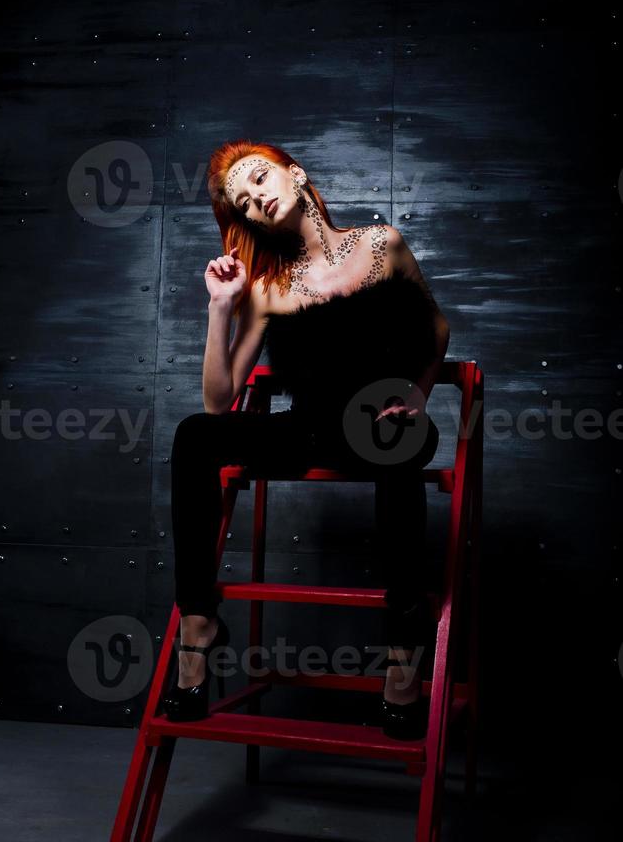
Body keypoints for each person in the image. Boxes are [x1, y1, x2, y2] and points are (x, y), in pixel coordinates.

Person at [163, 140, 451, 740]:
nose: (257, 198)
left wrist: (419, 395)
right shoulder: (267, 286)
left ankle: (403, 649)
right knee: (195, 436)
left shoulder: (382, 245)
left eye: (261, 179)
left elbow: (436, 330)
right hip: (310, 428)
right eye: (243, 201)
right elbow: (219, 404)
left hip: (383, 421)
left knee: (397, 435)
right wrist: (221, 308)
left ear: (295, 174)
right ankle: (197, 624)